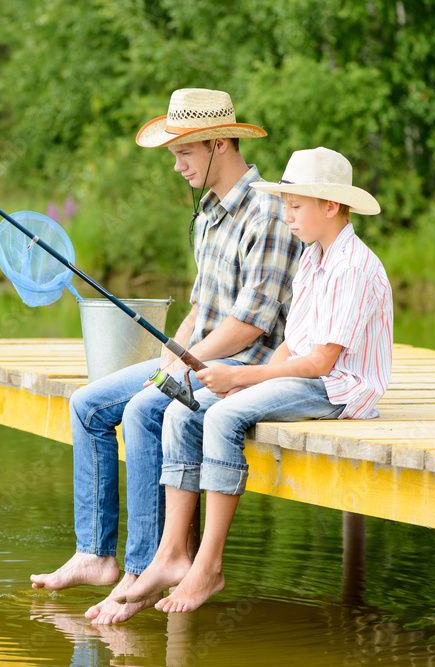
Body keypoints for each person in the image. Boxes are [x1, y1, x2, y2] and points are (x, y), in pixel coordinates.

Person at [29, 88, 305, 625]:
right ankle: (95, 554)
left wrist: (185, 364)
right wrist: (170, 355)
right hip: (197, 356)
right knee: (87, 404)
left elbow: (252, 322)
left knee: (143, 411)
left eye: (184, 153)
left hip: (245, 368)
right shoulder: (207, 214)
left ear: (219, 143)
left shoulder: (268, 211)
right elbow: (202, 306)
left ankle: (146, 565)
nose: (176, 166)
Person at [116, 146, 394, 616]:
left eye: (296, 205)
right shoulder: (311, 258)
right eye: (284, 204)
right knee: (184, 412)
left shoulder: (354, 267)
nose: (286, 214)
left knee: (222, 417)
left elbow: (321, 363)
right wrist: (241, 381)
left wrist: (241, 377)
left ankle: (208, 566)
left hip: (340, 389)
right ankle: (170, 554)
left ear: (331, 206)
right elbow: (292, 344)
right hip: (306, 374)